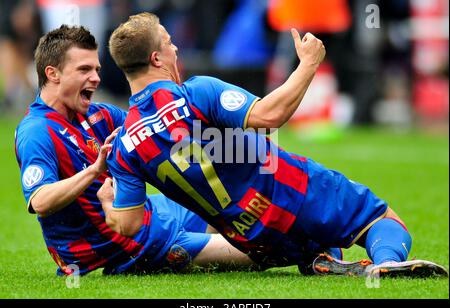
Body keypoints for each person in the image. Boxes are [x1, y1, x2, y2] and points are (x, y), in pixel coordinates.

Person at [104, 12, 448, 277]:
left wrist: (107, 199)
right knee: (379, 218)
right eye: (167, 41)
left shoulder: (123, 146)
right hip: (290, 189)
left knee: (323, 241)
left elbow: (130, 224)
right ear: (155, 58)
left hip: (251, 237)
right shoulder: (195, 93)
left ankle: (318, 259)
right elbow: (270, 115)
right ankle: (386, 264)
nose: (175, 47)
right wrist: (309, 64)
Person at [14, 25, 262, 277]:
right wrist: (95, 171)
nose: (96, 78)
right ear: (53, 74)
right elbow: (41, 201)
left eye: (97, 69)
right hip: (126, 244)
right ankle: (301, 250)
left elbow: (154, 128)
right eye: (84, 70)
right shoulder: (37, 131)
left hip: (149, 213)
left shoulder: (98, 114)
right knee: (257, 251)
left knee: (226, 197)